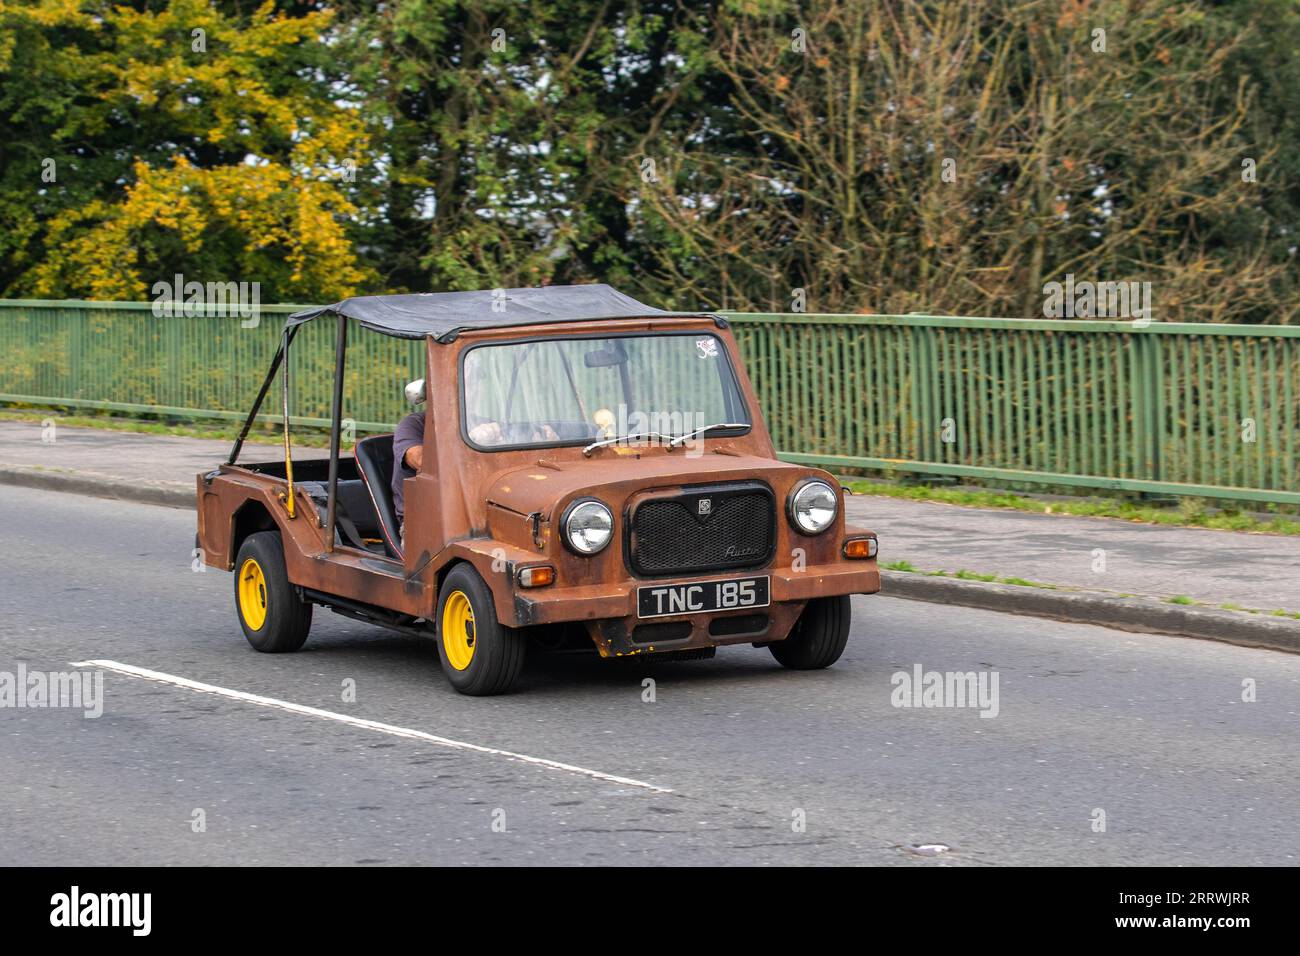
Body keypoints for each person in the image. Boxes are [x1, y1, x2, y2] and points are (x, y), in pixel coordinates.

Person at [391, 408, 423, 544]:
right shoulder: (413, 424)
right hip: (422, 522)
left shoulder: (479, 425)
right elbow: (421, 460)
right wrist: (470, 440)